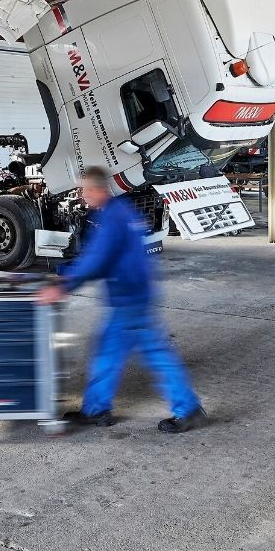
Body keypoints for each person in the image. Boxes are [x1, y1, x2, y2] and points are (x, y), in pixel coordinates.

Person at [37, 167, 208, 433]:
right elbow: (101, 258)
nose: (82, 195)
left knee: (154, 355)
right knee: (110, 351)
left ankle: (188, 409)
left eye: (85, 190)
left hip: (130, 298)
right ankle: (97, 409)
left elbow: (97, 260)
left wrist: (64, 285)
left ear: (97, 189)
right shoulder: (119, 211)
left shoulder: (112, 218)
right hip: (133, 294)